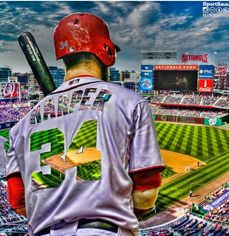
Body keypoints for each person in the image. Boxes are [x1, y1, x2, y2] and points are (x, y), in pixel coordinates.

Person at [6, 13, 164, 236]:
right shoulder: (131, 102)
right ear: (106, 52)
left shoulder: (21, 126)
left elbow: (19, 201)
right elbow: (146, 192)